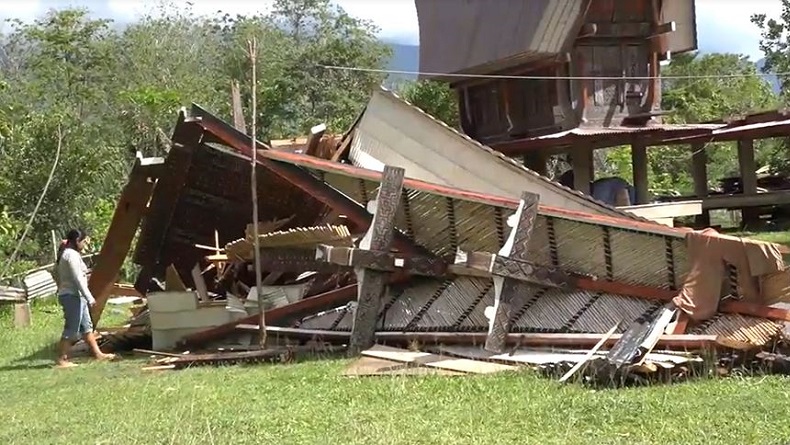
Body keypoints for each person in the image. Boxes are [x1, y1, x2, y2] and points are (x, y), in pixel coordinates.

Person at [54, 229, 116, 368]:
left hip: (77, 296)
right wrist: (90, 297)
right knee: (72, 329)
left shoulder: (70, 254)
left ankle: (98, 354)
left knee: (87, 328)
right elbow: (77, 279)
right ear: (77, 241)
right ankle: (62, 359)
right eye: (83, 241)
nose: (84, 244)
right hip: (72, 296)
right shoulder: (71, 255)